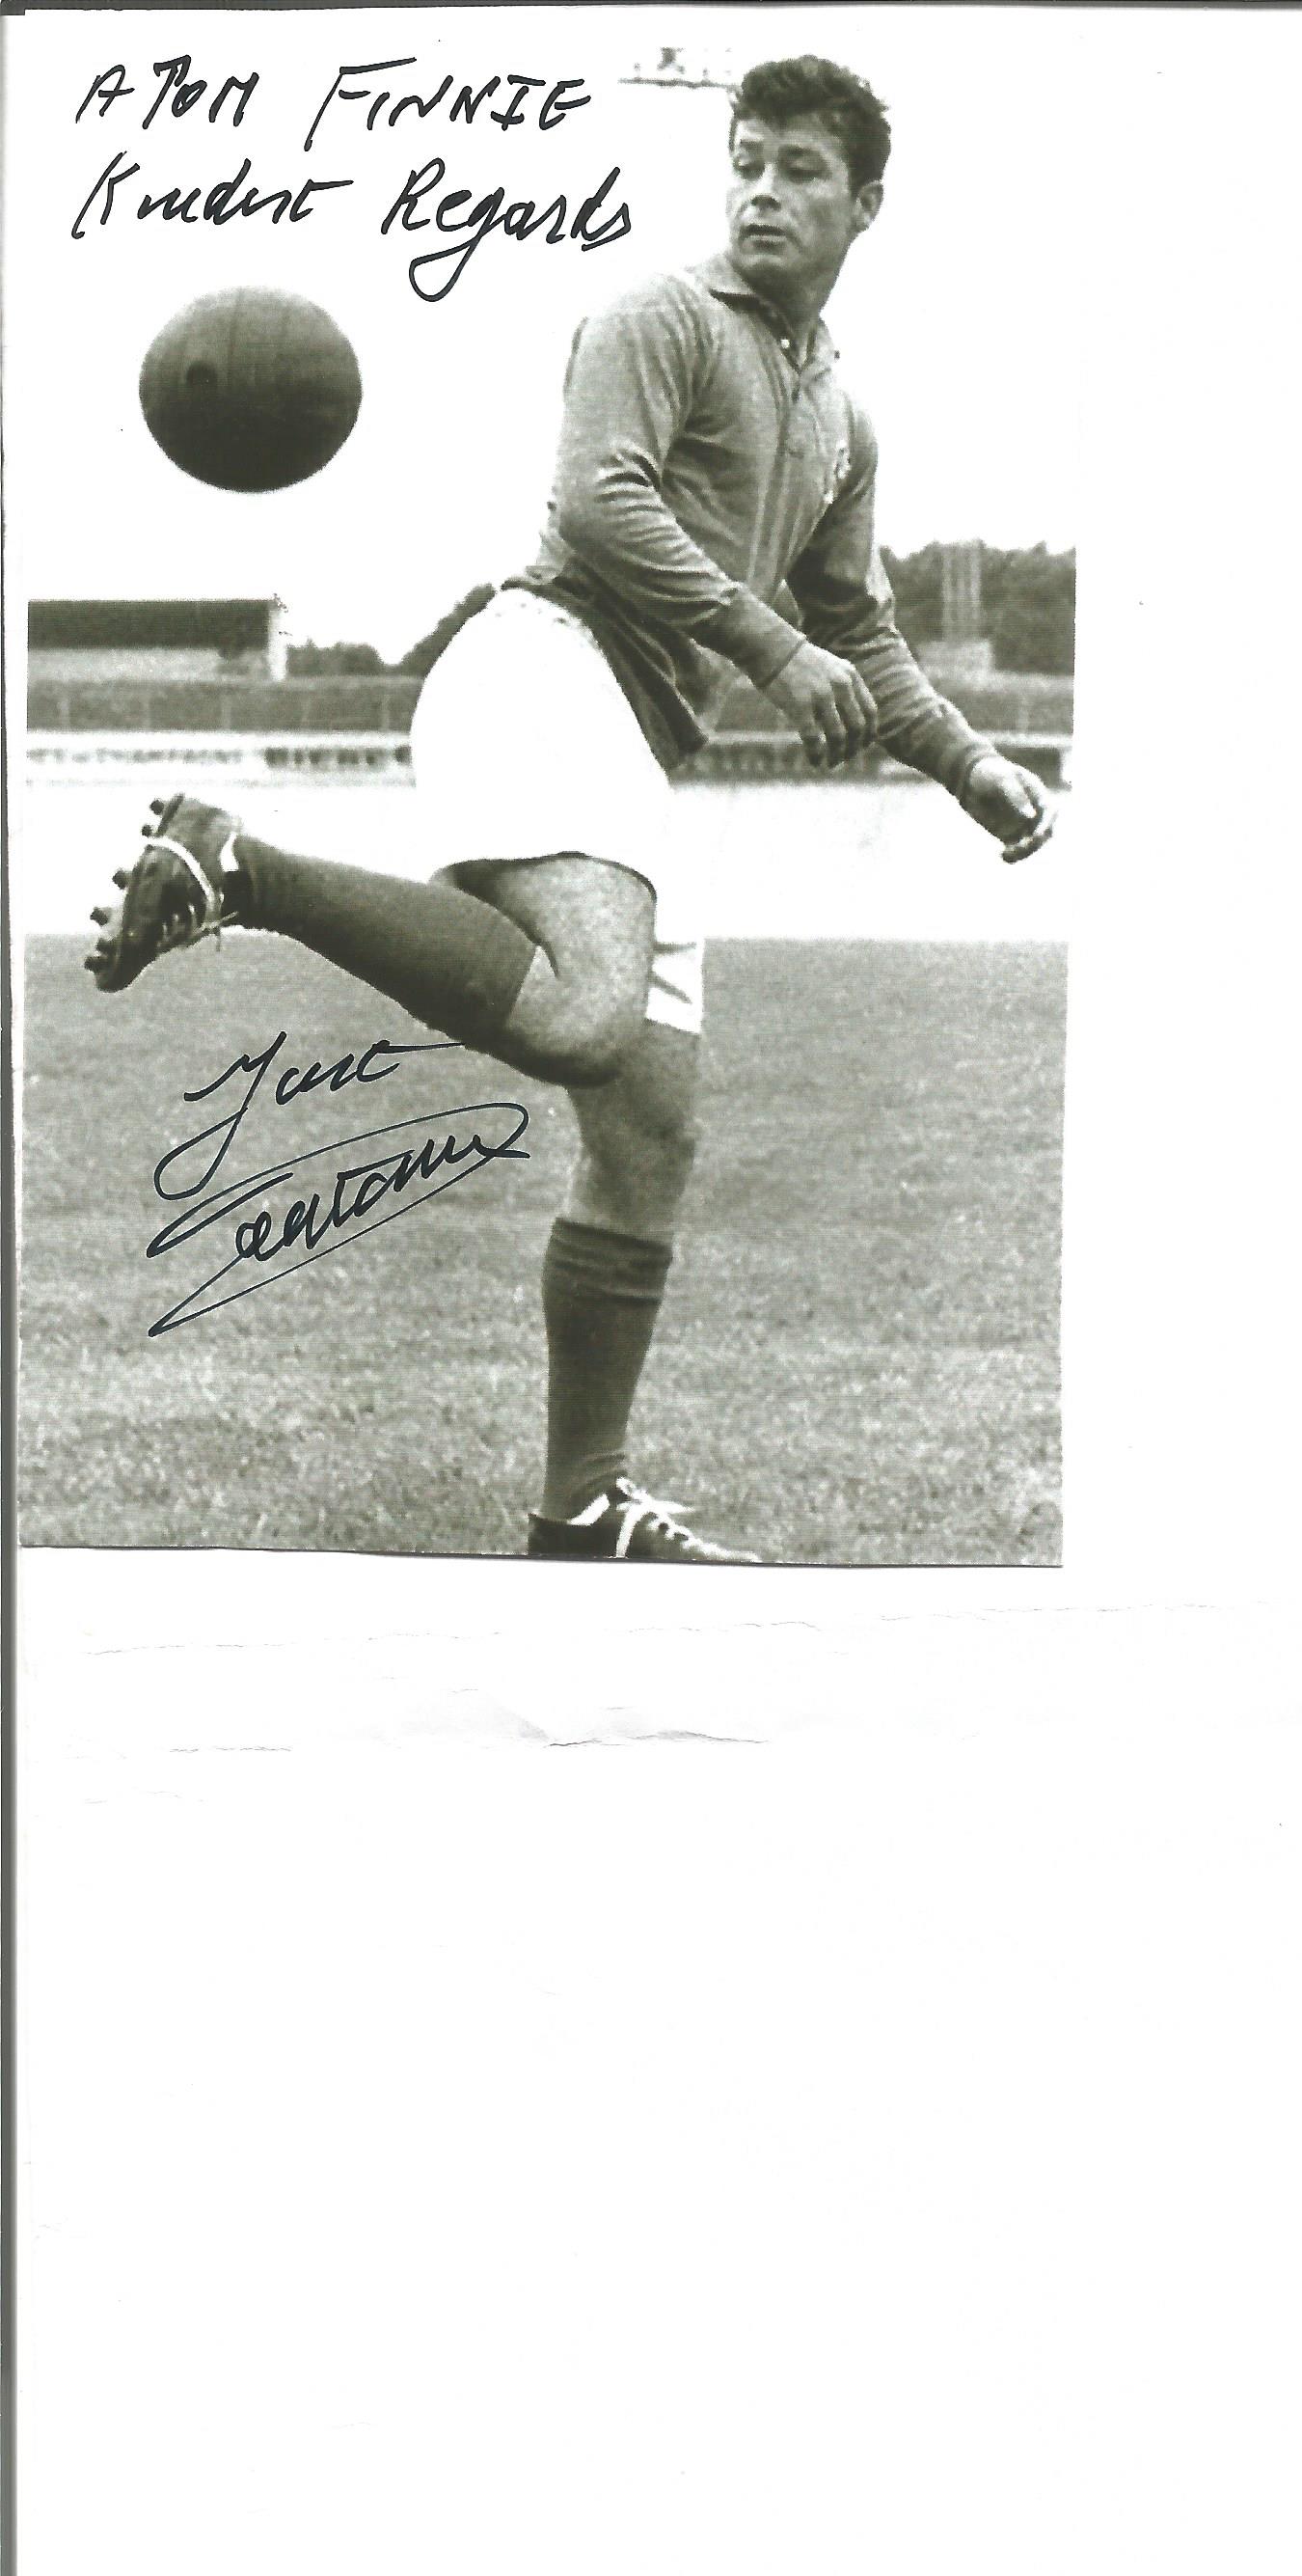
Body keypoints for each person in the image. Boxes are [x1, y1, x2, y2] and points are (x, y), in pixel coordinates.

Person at [86, 54, 1055, 1563]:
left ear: (866, 203)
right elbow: (605, 502)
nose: (761, 191)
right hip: (543, 665)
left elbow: (854, 628)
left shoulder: (840, 416)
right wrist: (774, 652)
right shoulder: (656, 316)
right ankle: (240, 864)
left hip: (624, 730)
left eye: (800, 170)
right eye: (746, 160)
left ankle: (581, 1503)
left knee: (648, 1133)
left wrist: (971, 762)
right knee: (589, 1018)